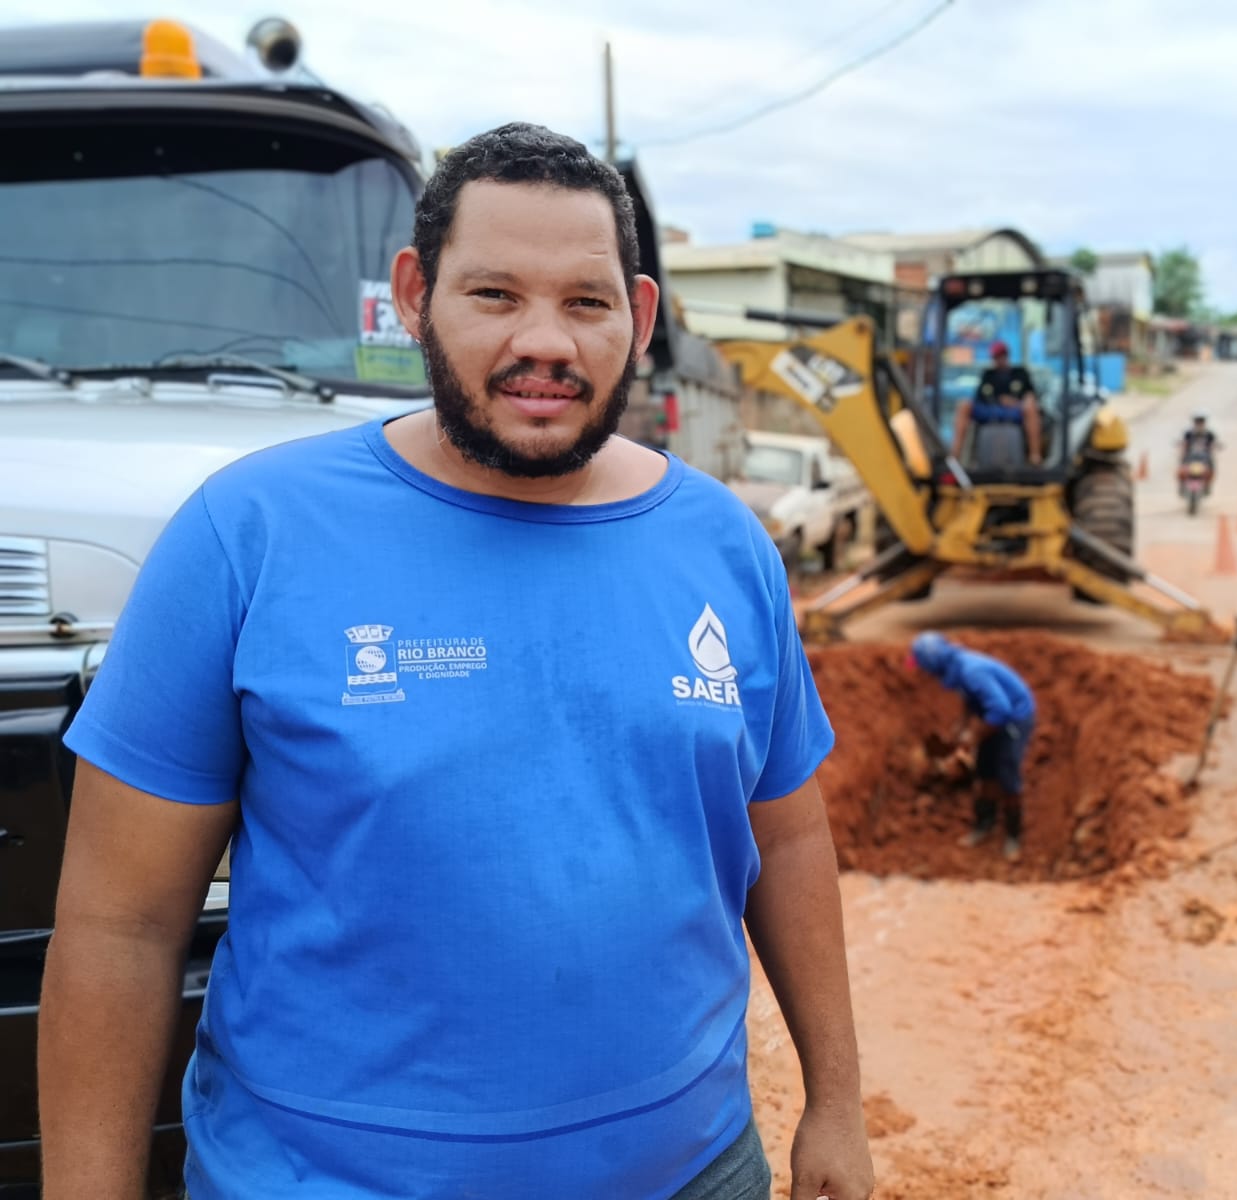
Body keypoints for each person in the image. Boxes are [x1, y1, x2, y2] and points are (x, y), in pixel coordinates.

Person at [39, 123, 874, 1200]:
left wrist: (836, 1101)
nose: (546, 342)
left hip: (693, 1171)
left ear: (639, 316)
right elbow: (120, 927)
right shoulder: (249, 536)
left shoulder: (723, 545)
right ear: (414, 295)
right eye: (494, 296)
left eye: (586, 301)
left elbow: (788, 838)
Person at [908, 632, 1036, 863]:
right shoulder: (958, 669)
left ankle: (1013, 835)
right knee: (985, 769)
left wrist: (972, 738)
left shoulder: (972, 672)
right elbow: (973, 701)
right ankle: (984, 825)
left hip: (1014, 719)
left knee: (1007, 775)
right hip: (994, 716)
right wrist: (960, 728)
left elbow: (1001, 710)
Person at [950, 339, 1044, 467]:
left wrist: (1015, 402)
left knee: (1031, 405)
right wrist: (998, 400)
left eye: (1001, 356)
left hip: (1015, 411)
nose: (999, 360)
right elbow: (979, 397)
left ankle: (1035, 456)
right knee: (964, 405)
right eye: (996, 357)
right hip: (990, 409)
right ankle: (954, 457)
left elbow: (1031, 395)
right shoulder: (988, 374)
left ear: (1006, 355)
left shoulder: (1020, 373)